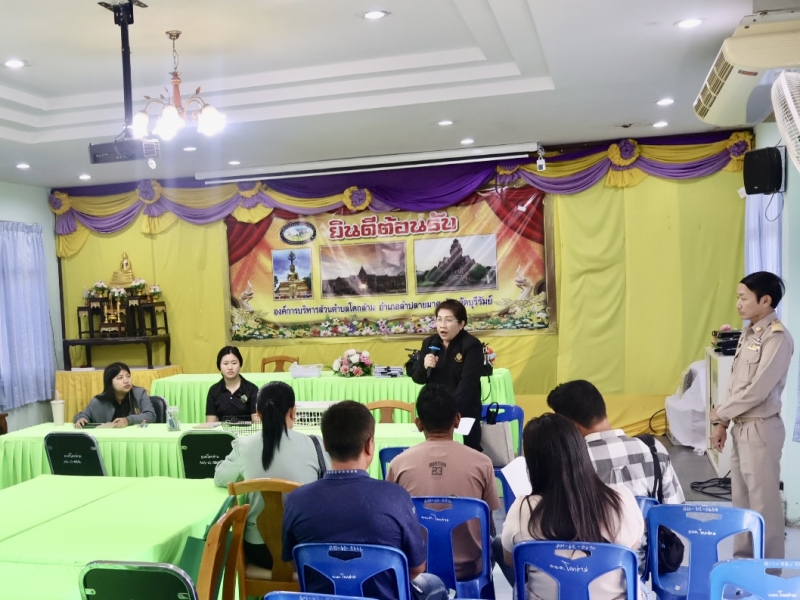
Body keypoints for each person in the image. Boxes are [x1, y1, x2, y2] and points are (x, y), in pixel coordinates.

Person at [282, 401, 442, 600]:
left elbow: (293, 563)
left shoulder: (296, 500)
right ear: (369, 445)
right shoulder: (396, 497)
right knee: (434, 584)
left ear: (325, 445)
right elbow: (417, 568)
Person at [498, 414, 643, 600]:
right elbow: (631, 549)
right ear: (581, 450)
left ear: (533, 464)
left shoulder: (522, 509)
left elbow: (511, 560)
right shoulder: (621, 498)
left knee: (500, 544)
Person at [710, 271, 793, 559]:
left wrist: (720, 412)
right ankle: (743, 565)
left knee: (764, 506)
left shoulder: (777, 338)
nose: (738, 304)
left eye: (743, 298)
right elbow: (735, 384)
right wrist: (722, 423)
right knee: (742, 505)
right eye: (738, 297)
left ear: (765, 300)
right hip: (741, 428)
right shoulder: (749, 333)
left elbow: (756, 391)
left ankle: (767, 572)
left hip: (761, 430)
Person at [387, 383, 500, 581]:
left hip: (417, 570)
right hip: (470, 569)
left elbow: (392, 523)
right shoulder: (482, 463)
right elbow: (489, 525)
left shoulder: (398, 464)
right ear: (457, 420)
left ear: (418, 423)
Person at [214, 381, 327, 570]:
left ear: (258, 414)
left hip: (259, 550)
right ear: (293, 412)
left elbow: (221, 478)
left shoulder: (244, 445)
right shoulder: (315, 445)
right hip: (306, 551)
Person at [546, 379, 685, 504]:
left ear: (571, 424)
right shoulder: (654, 450)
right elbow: (675, 511)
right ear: (602, 408)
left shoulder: (568, 462)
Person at [411, 299, 484, 450]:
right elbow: (418, 379)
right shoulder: (430, 343)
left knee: (465, 455)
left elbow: (467, 387)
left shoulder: (471, 345)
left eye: (449, 320)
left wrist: (448, 415)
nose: (442, 325)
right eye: (439, 319)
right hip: (434, 417)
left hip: (463, 414)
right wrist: (424, 366)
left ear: (461, 324)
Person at [73, 362, 155, 428]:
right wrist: (81, 419)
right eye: (120, 378)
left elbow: (151, 416)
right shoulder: (99, 401)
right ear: (110, 382)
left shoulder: (139, 393)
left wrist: (128, 420)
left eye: (128, 376)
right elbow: (82, 415)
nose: (126, 381)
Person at [205, 346, 259, 422]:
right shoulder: (214, 391)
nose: (230, 367)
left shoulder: (252, 389)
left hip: (246, 430)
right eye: (225, 363)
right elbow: (210, 423)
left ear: (240, 364)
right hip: (222, 430)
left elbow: (257, 423)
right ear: (219, 366)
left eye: (234, 363)